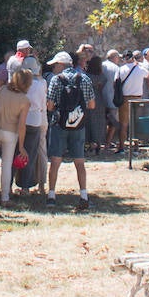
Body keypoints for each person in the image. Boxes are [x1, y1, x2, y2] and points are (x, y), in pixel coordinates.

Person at [44, 51, 94, 209]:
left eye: (55, 65)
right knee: (79, 162)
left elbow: (50, 106)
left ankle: (51, 195)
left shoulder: (56, 80)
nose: (53, 68)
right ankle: (84, 195)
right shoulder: (84, 78)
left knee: (55, 161)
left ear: (60, 65)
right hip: (78, 125)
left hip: (59, 124)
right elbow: (92, 104)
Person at [0, 66, 31, 203]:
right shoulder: (25, 100)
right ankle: (5, 197)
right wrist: (22, 146)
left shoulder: (2, 90)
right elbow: (21, 125)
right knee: (6, 165)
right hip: (11, 133)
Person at [17, 57, 48, 195]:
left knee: (17, 152)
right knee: (32, 153)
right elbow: (43, 105)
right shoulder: (41, 84)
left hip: (20, 120)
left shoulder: (19, 84)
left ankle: (15, 184)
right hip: (36, 119)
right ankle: (28, 186)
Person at [114, 49, 148, 150]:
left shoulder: (121, 69)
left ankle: (122, 146)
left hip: (125, 98)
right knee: (136, 123)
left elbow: (115, 83)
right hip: (137, 97)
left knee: (123, 124)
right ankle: (136, 146)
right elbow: (148, 76)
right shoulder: (140, 69)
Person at [101, 49, 123, 149]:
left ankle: (100, 141)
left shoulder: (101, 65)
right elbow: (117, 84)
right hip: (112, 99)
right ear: (114, 57)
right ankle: (108, 142)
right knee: (113, 122)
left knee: (102, 121)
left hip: (101, 98)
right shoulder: (116, 68)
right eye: (118, 57)